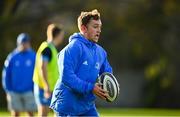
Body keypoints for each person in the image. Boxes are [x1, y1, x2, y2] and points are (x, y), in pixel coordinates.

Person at [50, 9, 113, 116]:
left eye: (100, 27)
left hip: (87, 106)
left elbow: (107, 73)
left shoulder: (100, 52)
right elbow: (67, 77)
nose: (99, 30)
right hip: (67, 105)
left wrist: (110, 85)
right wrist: (91, 87)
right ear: (84, 28)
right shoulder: (73, 48)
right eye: (95, 27)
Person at [2, 33, 36, 117]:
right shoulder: (12, 57)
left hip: (29, 91)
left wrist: (34, 88)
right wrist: (8, 90)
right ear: (18, 43)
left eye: (26, 42)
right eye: (22, 43)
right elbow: (5, 74)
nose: (24, 45)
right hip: (14, 91)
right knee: (15, 113)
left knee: (30, 113)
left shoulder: (33, 56)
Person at [33, 24, 64, 117]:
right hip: (44, 87)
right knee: (43, 114)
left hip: (51, 87)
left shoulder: (51, 48)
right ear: (57, 35)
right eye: (61, 35)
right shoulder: (47, 49)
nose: (62, 38)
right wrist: (46, 86)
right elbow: (43, 67)